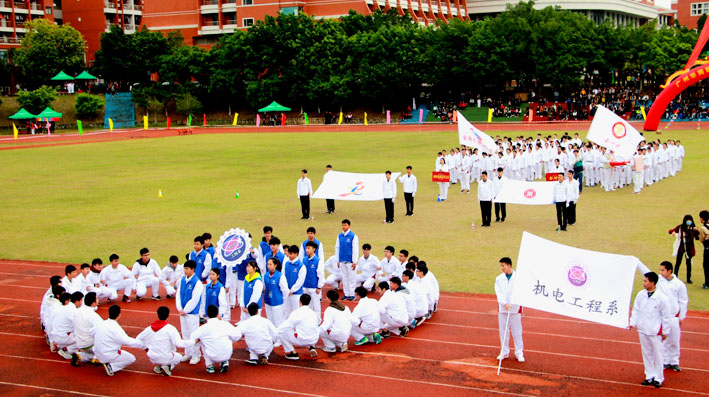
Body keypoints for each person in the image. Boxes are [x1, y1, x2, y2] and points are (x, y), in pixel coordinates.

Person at [629, 272, 672, 388]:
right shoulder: (640, 295)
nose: (643, 283)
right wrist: (632, 323)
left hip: (655, 331)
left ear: (652, 283)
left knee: (658, 355)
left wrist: (665, 331)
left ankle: (658, 378)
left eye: (645, 281)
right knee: (647, 354)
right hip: (643, 329)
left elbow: (666, 316)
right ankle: (649, 376)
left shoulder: (662, 298)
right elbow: (636, 310)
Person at [136, 306, 194, 376]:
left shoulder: (149, 328)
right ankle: (167, 366)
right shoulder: (171, 328)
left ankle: (159, 366)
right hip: (166, 356)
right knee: (178, 357)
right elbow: (179, 343)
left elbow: (138, 339)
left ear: (157, 314)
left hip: (152, 357)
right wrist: (193, 342)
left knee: (164, 352)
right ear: (168, 315)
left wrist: (146, 348)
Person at [92, 305, 145, 376]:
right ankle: (112, 367)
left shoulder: (101, 323)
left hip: (96, 352)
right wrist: (143, 345)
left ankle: (105, 361)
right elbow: (127, 341)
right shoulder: (115, 327)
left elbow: (91, 332)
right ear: (119, 314)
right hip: (108, 354)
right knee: (131, 358)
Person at [190, 305, 241, 373]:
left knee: (201, 340)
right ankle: (224, 361)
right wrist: (231, 340)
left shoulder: (204, 328)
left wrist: (200, 339)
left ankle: (210, 365)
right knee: (228, 336)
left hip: (212, 355)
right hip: (227, 354)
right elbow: (238, 335)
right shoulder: (225, 324)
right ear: (218, 314)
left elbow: (192, 337)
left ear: (207, 315)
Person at [494, 257, 524, 362]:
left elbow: (521, 292)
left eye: (503, 265)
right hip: (503, 309)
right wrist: (504, 303)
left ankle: (519, 353)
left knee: (517, 332)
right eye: (501, 265)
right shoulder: (499, 279)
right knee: (503, 331)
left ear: (509, 265)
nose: (502, 267)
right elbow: (498, 292)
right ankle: (504, 352)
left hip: (515, 309)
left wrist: (513, 301)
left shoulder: (519, 278)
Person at [175, 260, 204, 365]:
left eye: (187, 269)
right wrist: (179, 308)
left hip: (192, 313)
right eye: (185, 268)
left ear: (193, 269)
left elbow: (195, 299)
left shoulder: (197, 283)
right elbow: (178, 295)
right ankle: (188, 353)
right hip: (182, 312)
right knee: (185, 333)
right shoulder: (182, 280)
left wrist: (186, 310)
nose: (185, 271)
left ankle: (196, 355)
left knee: (193, 334)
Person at [277, 294, 320, 360]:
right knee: (308, 327)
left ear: (300, 302)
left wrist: (274, 333)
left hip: (302, 340)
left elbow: (287, 325)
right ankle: (311, 347)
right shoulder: (313, 313)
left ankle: (292, 353)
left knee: (283, 332)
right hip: (314, 339)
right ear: (309, 302)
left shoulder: (297, 312)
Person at [72, 292, 103, 367]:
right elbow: (102, 329)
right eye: (97, 299)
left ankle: (80, 355)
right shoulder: (93, 315)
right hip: (90, 344)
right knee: (110, 349)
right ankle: (97, 358)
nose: (98, 300)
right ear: (93, 303)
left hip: (80, 343)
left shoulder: (78, 311)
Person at [51, 291, 83, 360]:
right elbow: (79, 324)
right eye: (81, 300)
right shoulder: (72, 310)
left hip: (57, 334)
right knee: (83, 338)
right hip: (61, 336)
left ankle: (61, 345)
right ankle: (66, 350)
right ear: (78, 301)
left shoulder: (67, 307)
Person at [669, 215, 700, 283]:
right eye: (687, 220)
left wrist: (697, 231)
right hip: (681, 248)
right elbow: (671, 230)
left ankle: (688, 278)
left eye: (690, 220)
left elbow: (697, 238)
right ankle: (675, 276)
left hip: (689, 248)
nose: (689, 222)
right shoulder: (680, 227)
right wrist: (673, 232)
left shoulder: (693, 229)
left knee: (688, 264)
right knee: (678, 263)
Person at [335, 219, 359, 301]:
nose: (343, 227)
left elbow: (355, 249)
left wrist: (354, 261)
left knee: (352, 278)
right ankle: (346, 294)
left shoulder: (353, 236)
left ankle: (352, 294)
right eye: (342, 225)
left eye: (345, 225)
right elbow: (337, 248)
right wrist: (337, 260)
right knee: (344, 278)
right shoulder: (339, 236)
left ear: (349, 226)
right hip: (342, 260)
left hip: (350, 261)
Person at [302, 241, 324, 322]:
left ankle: (318, 322)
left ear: (314, 249)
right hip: (305, 286)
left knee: (316, 306)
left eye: (309, 248)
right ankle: (308, 321)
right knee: (306, 306)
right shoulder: (304, 260)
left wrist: (319, 287)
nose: (307, 250)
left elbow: (320, 274)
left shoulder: (318, 261)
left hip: (314, 287)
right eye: (306, 248)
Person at [263, 257, 289, 327]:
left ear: (275, 265)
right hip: (268, 301)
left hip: (277, 303)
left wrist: (282, 300)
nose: (268, 266)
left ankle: (280, 337)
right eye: (268, 264)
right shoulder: (265, 275)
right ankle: (272, 337)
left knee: (278, 322)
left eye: (270, 264)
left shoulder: (280, 276)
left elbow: (285, 291)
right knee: (270, 321)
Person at [282, 245, 307, 317]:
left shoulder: (301, 266)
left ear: (296, 254)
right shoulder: (286, 264)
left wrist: (292, 290)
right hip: (287, 292)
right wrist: (286, 289)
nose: (289, 255)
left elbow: (300, 281)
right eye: (288, 253)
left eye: (291, 253)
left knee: (297, 312)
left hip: (296, 294)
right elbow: (283, 276)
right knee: (287, 312)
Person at [700, 210, 709, 289]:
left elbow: (701, 239)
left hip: (707, 249)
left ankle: (707, 283)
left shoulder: (703, 228)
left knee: (706, 265)